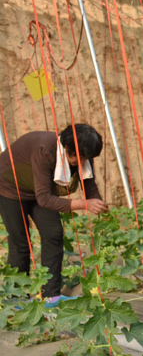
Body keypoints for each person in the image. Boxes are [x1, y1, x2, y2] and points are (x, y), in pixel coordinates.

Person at [0, 124, 109, 306]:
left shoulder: (82, 153)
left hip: (39, 189)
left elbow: (88, 183)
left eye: (86, 158)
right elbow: (44, 198)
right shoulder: (44, 150)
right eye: (80, 158)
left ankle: (51, 295)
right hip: (9, 187)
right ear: (67, 148)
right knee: (21, 241)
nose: (83, 162)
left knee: (53, 234)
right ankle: (15, 298)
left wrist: (96, 202)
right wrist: (84, 204)